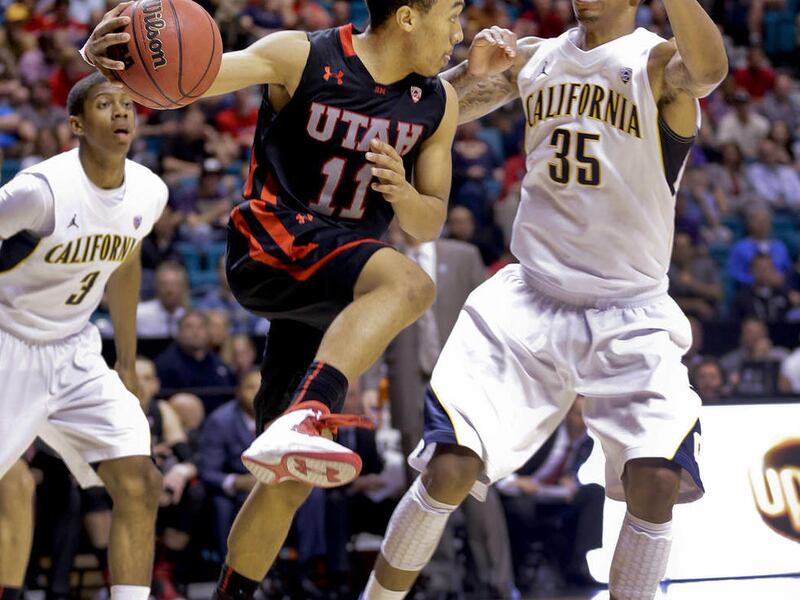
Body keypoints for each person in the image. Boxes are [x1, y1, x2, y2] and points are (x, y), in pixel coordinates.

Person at [82, 0, 461, 593]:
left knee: (291, 477)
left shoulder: (439, 103)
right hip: (271, 244)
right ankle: (311, 410)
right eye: (453, 16)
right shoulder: (302, 55)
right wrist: (107, 62)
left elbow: (430, 220)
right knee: (411, 284)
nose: (458, 33)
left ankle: (234, 590)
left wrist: (402, 192)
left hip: (335, 285)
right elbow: (189, 81)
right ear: (408, 17)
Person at [363, 0, 728, 595]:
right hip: (530, 299)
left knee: (658, 480)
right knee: (451, 465)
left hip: (629, 309)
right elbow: (432, 113)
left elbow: (708, 71)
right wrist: (473, 72)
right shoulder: (535, 58)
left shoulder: (659, 63)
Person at [0, 72, 168, 600]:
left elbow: (126, 263)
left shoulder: (149, 190)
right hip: (8, 342)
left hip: (76, 349)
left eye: (127, 104)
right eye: (104, 104)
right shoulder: (38, 192)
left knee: (141, 483)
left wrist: (126, 360)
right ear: (76, 124)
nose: (121, 113)